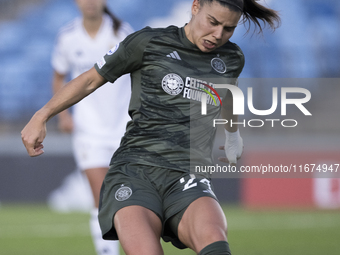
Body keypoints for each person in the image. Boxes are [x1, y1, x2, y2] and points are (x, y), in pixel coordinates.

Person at [21, 0, 280, 254]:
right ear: (195, 6)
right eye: (212, 22)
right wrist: (42, 115)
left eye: (228, 29)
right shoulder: (148, 42)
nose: (218, 34)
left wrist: (233, 135)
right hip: (135, 173)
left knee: (215, 242)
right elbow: (90, 79)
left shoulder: (232, 58)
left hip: (188, 176)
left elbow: (227, 96)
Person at [50, 0, 133, 254]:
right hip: (88, 131)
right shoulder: (68, 36)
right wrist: (63, 115)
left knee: (129, 201)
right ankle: (107, 251)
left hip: (124, 129)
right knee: (100, 200)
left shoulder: (122, 33)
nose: (90, 2)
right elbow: (58, 77)